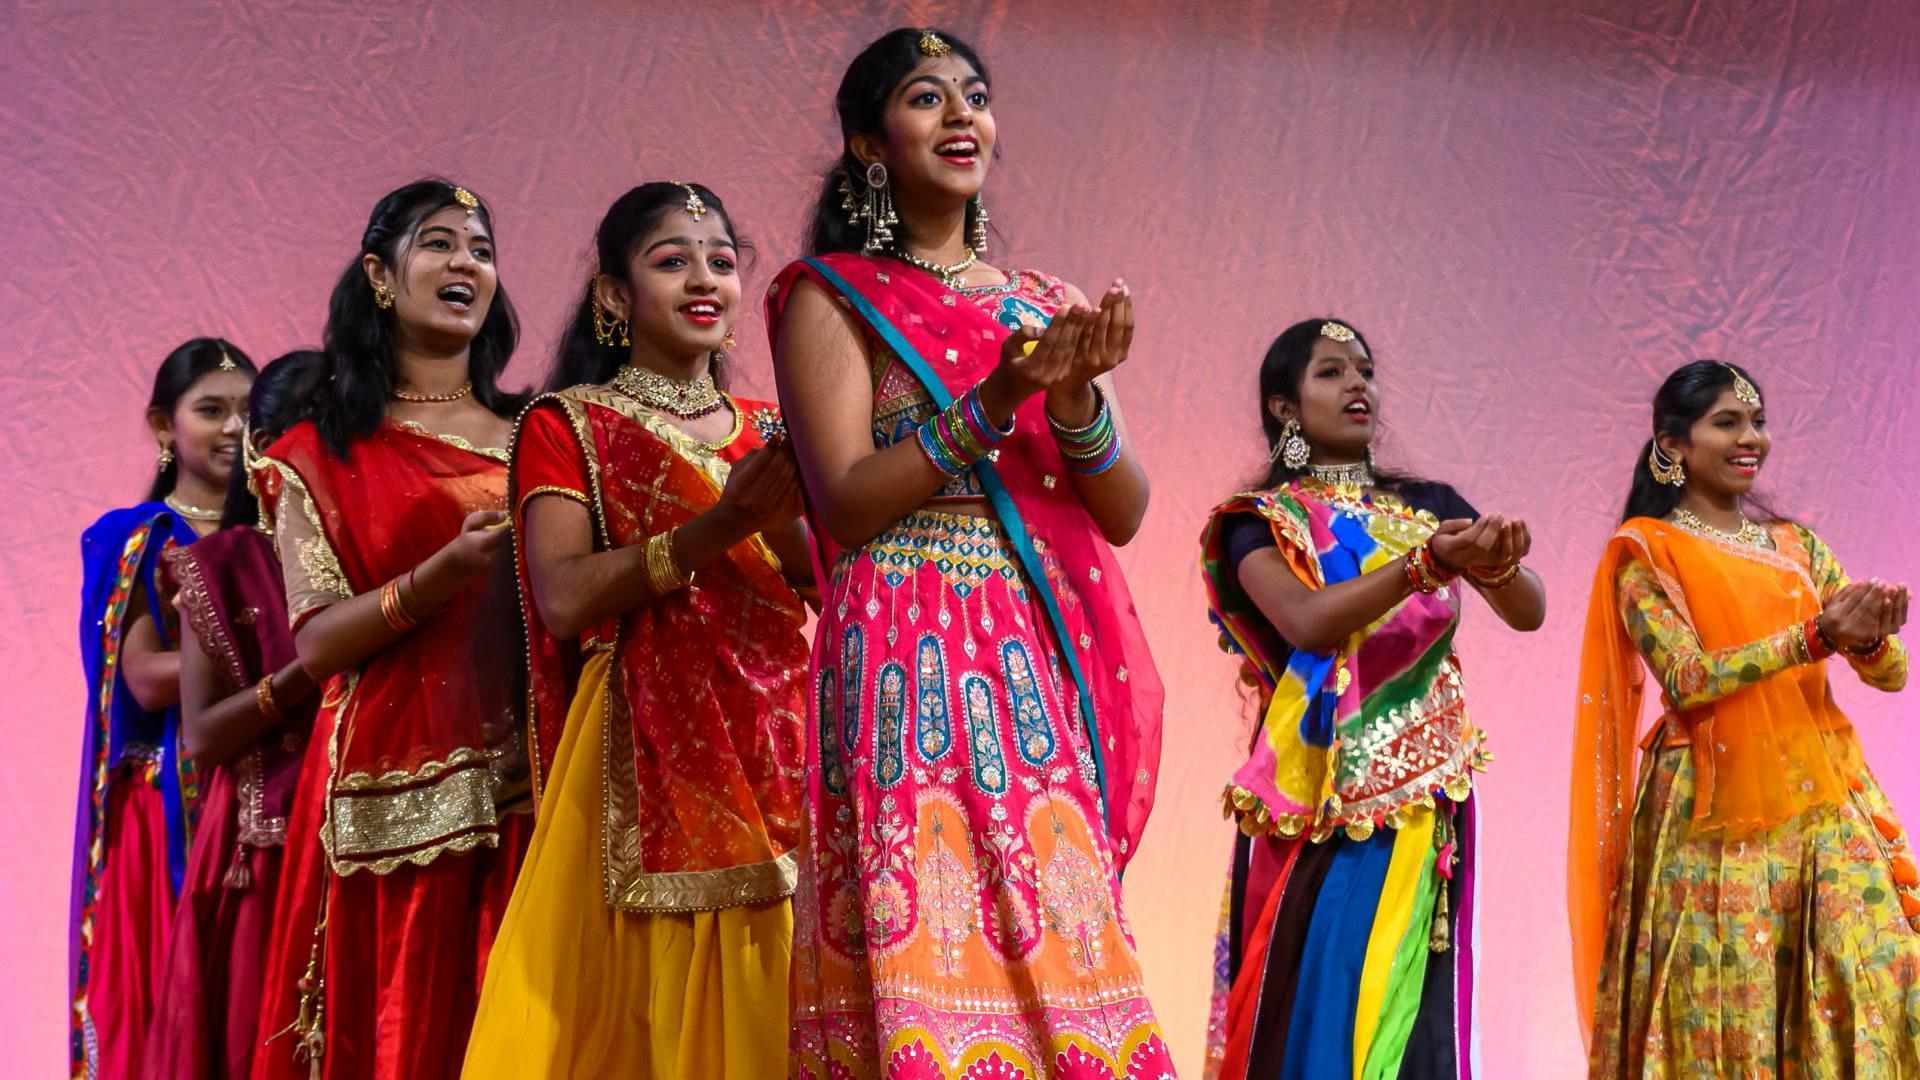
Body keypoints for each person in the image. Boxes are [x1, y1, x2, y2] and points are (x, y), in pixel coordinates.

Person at [769, 27, 1173, 1078]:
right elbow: (845, 501)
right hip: (900, 640)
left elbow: (1123, 509)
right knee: (927, 926)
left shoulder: (1045, 303)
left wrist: (1072, 397)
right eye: (926, 96)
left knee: (1064, 924)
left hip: (1030, 640)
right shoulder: (832, 295)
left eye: (976, 96)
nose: (962, 115)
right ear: (869, 145)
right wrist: (994, 401)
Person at [461, 182, 812, 1078]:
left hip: (779, 736)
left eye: (721, 262)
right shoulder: (568, 423)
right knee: (644, 1005)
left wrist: (777, 524)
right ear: (615, 296)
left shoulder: (774, 431)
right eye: (671, 261)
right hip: (643, 741)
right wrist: (721, 527)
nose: (704, 280)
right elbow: (564, 597)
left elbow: (822, 583)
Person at [1200, 318, 1544, 1080]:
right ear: (1284, 407)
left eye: (1365, 370)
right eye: (1331, 372)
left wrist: (1499, 564)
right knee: (1324, 1002)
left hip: (1430, 796)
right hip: (1319, 800)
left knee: (1416, 1017)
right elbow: (1307, 620)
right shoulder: (1260, 520)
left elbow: (1529, 611)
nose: (1358, 384)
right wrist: (1424, 566)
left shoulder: (1428, 503)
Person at [248, 179, 531, 1080]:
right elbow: (316, 644)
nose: (465, 263)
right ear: (379, 273)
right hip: (391, 795)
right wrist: (434, 578)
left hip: (536, 777)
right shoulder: (318, 452)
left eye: (481, 249)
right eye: (439, 243)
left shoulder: (539, 432)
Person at [1571, 360, 1915, 1076]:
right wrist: (1814, 638)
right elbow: (1687, 679)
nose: (1749, 438)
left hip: (1821, 794)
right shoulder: (1646, 550)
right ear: (1673, 444)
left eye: (1757, 421)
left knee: (1879, 967)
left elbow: (1891, 676)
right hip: (1710, 805)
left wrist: (1869, 637)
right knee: (1731, 998)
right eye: (1726, 422)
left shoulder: (1796, 545)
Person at [73, 337, 256, 1079]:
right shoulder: (141, 536)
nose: (235, 428)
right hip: (167, 808)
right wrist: (276, 662)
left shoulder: (274, 530)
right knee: (166, 1018)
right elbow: (142, 679)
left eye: (248, 409)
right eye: (211, 410)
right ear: (162, 426)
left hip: (258, 797)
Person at [143, 349, 323, 1079]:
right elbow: (202, 735)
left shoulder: (377, 555)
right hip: (262, 848)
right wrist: (308, 669)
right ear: (267, 451)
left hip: (364, 832)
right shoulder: (221, 564)